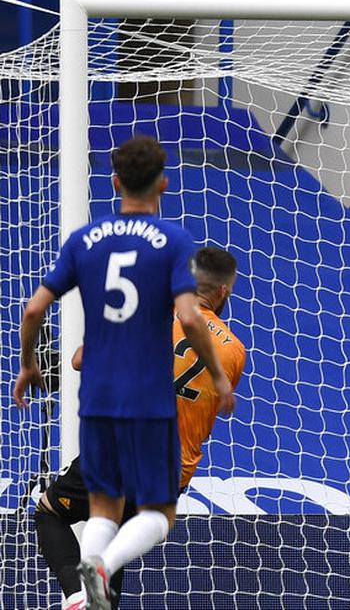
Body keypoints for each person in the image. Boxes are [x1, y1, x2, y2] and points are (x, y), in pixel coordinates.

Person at [14, 137, 236, 610]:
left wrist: (30, 363)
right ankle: (98, 573)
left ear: (113, 181)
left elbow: (35, 312)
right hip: (152, 419)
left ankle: (84, 593)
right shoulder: (173, 246)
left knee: (99, 510)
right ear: (164, 182)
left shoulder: (85, 241)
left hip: (100, 404)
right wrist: (217, 376)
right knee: (155, 518)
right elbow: (190, 320)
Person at [36, 247, 246, 610]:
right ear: (223, 292)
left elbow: (78, 361)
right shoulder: (235, 352)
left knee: (49, 512)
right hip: (170, 470)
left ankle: (75, 594)